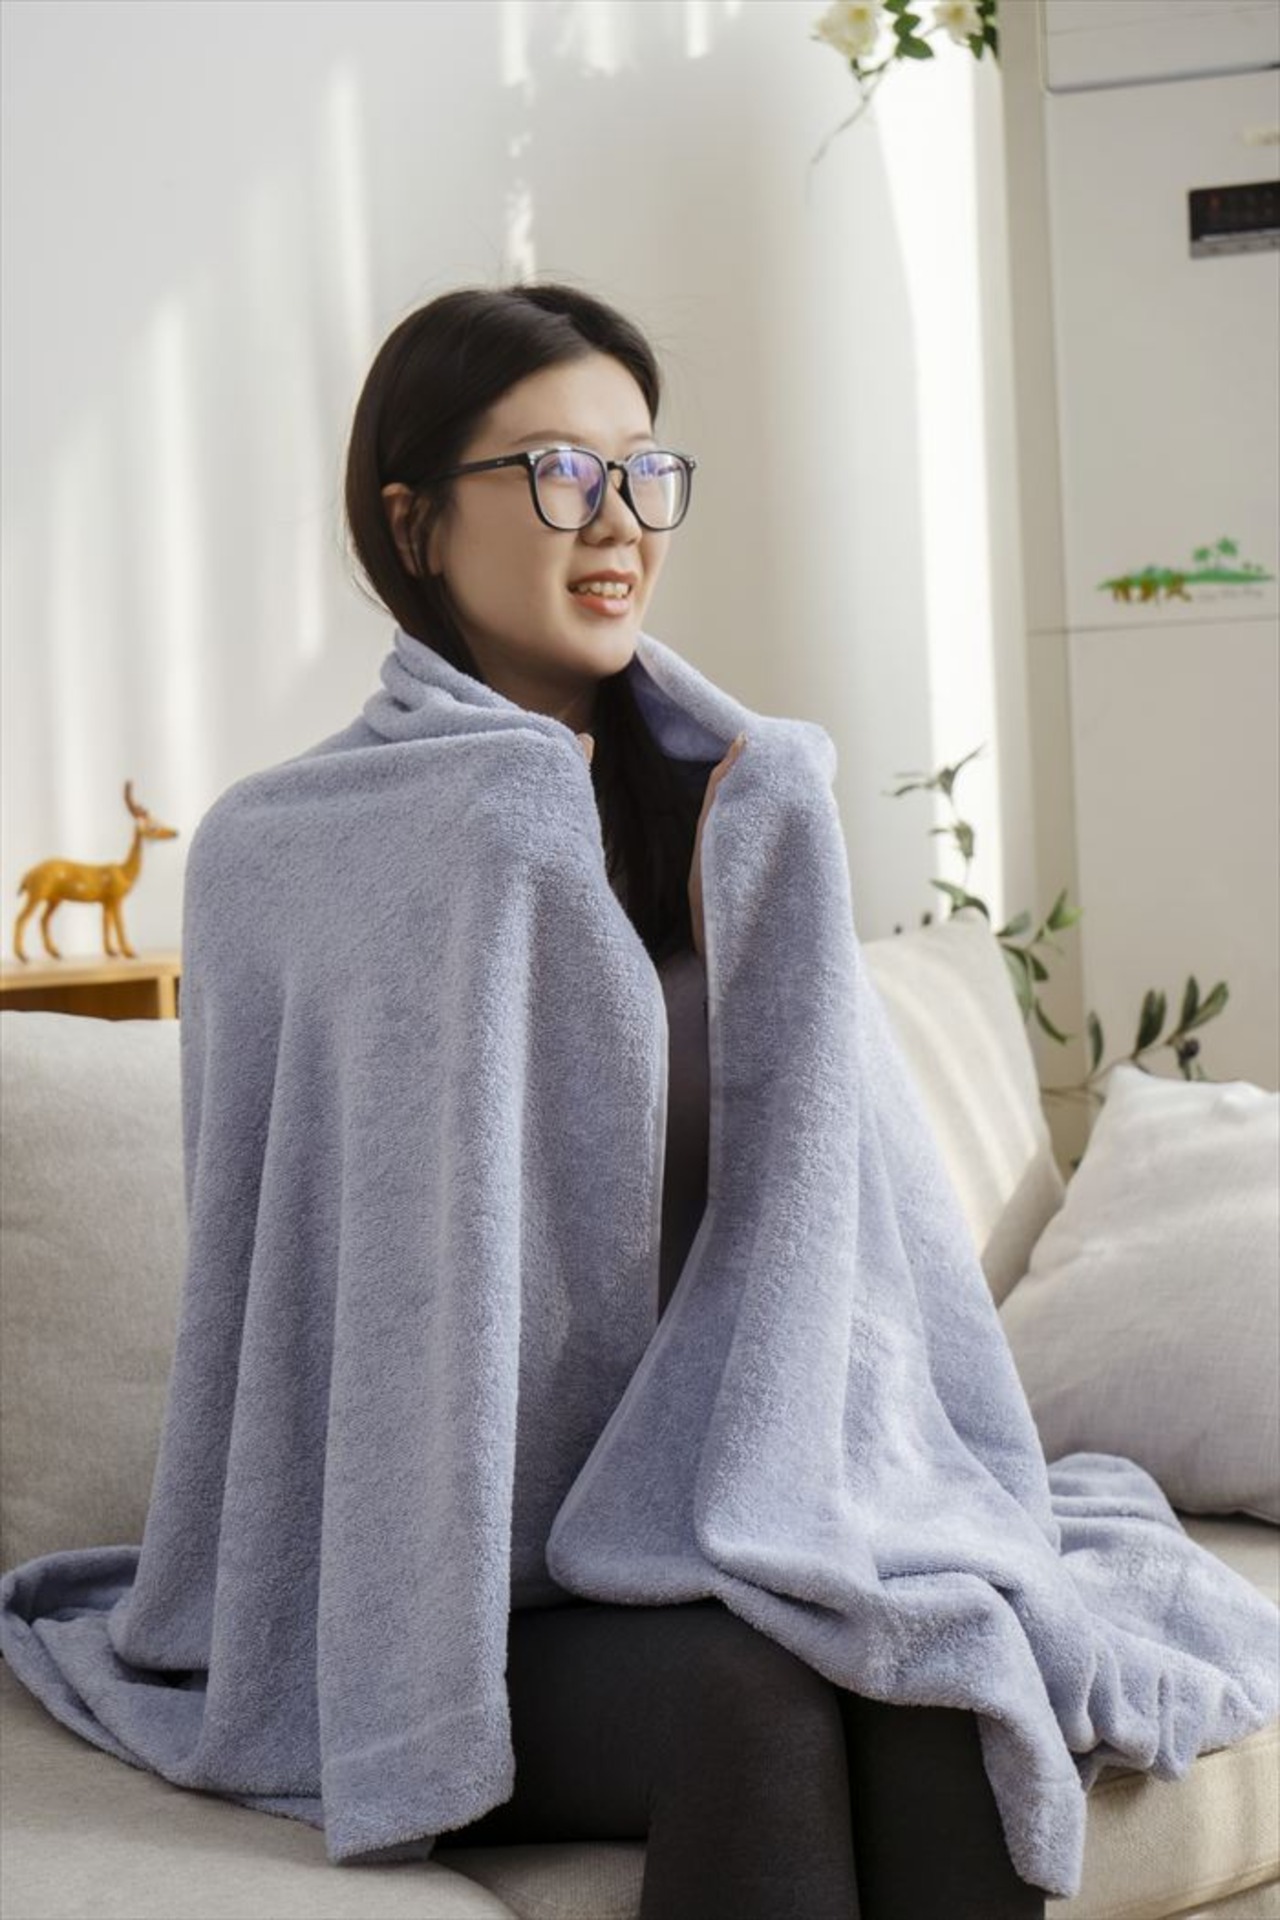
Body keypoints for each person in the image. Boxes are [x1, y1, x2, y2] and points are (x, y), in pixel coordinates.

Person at [344, 279, 1046, 1920]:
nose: (617, 521)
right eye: (557, 472)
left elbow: (847, 1241)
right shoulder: (307, 849)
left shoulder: (743, 815)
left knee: (940, 1680)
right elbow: (340, 1314)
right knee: (754, 1700)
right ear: (416, 521)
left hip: (736, 1514)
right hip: (463, 1589)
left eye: (642, 470)